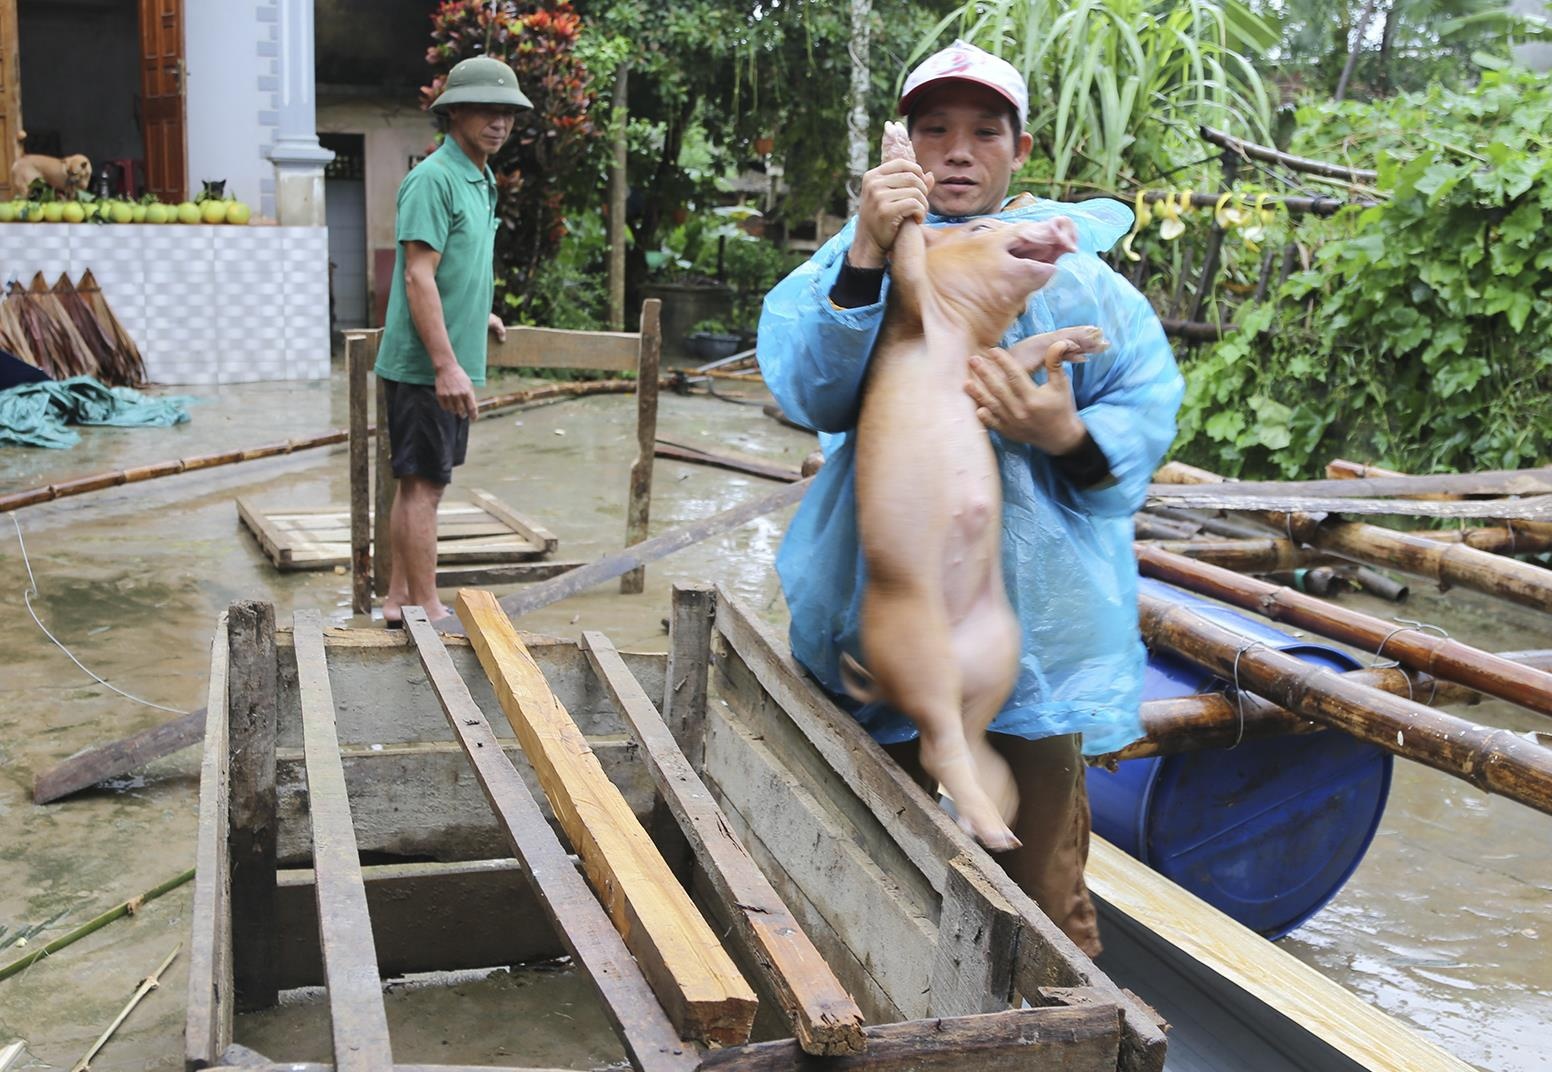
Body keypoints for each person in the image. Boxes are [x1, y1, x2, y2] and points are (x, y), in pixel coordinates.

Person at [757, 40, 1183, 955]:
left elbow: (1148, 408)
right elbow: (807, 391)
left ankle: (1055, 1016)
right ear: (903, 147)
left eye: (984, 131)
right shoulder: (849, 260)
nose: (958, 151)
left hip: (1034, 633)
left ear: (1018, 151)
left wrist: (1063, 435)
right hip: (874, 599)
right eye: (935, 130)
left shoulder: (1077, 280)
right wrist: (870, 249)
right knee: (862, 858)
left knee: (1043, 892)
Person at [375, 56, 530, 627]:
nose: (500, 123)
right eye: (488, 111)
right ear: (455, 112)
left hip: (443, 356)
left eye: (508, 113)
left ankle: (397, 601)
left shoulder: (480, 178)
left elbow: (452, 271)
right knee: (426, 490)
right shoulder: (434, 179)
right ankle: (428, 607)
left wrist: (475, 315)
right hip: (423, 367)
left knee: (417, 481)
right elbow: (417, 275)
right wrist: (445, 364)